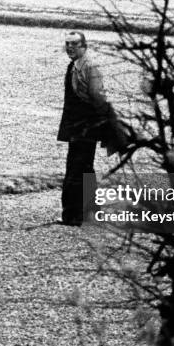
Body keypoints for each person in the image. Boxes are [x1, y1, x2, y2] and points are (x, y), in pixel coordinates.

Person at [56, 31, 113, 227]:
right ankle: (88, 213)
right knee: (83, 167)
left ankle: (74, 215)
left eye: (74, 44)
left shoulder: (89, 66)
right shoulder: (74, 66)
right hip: (77, 125)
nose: (69, 47)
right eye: (67, 44)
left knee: (76, 169)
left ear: (83, 46)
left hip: (85, 125)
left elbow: (98, 96)